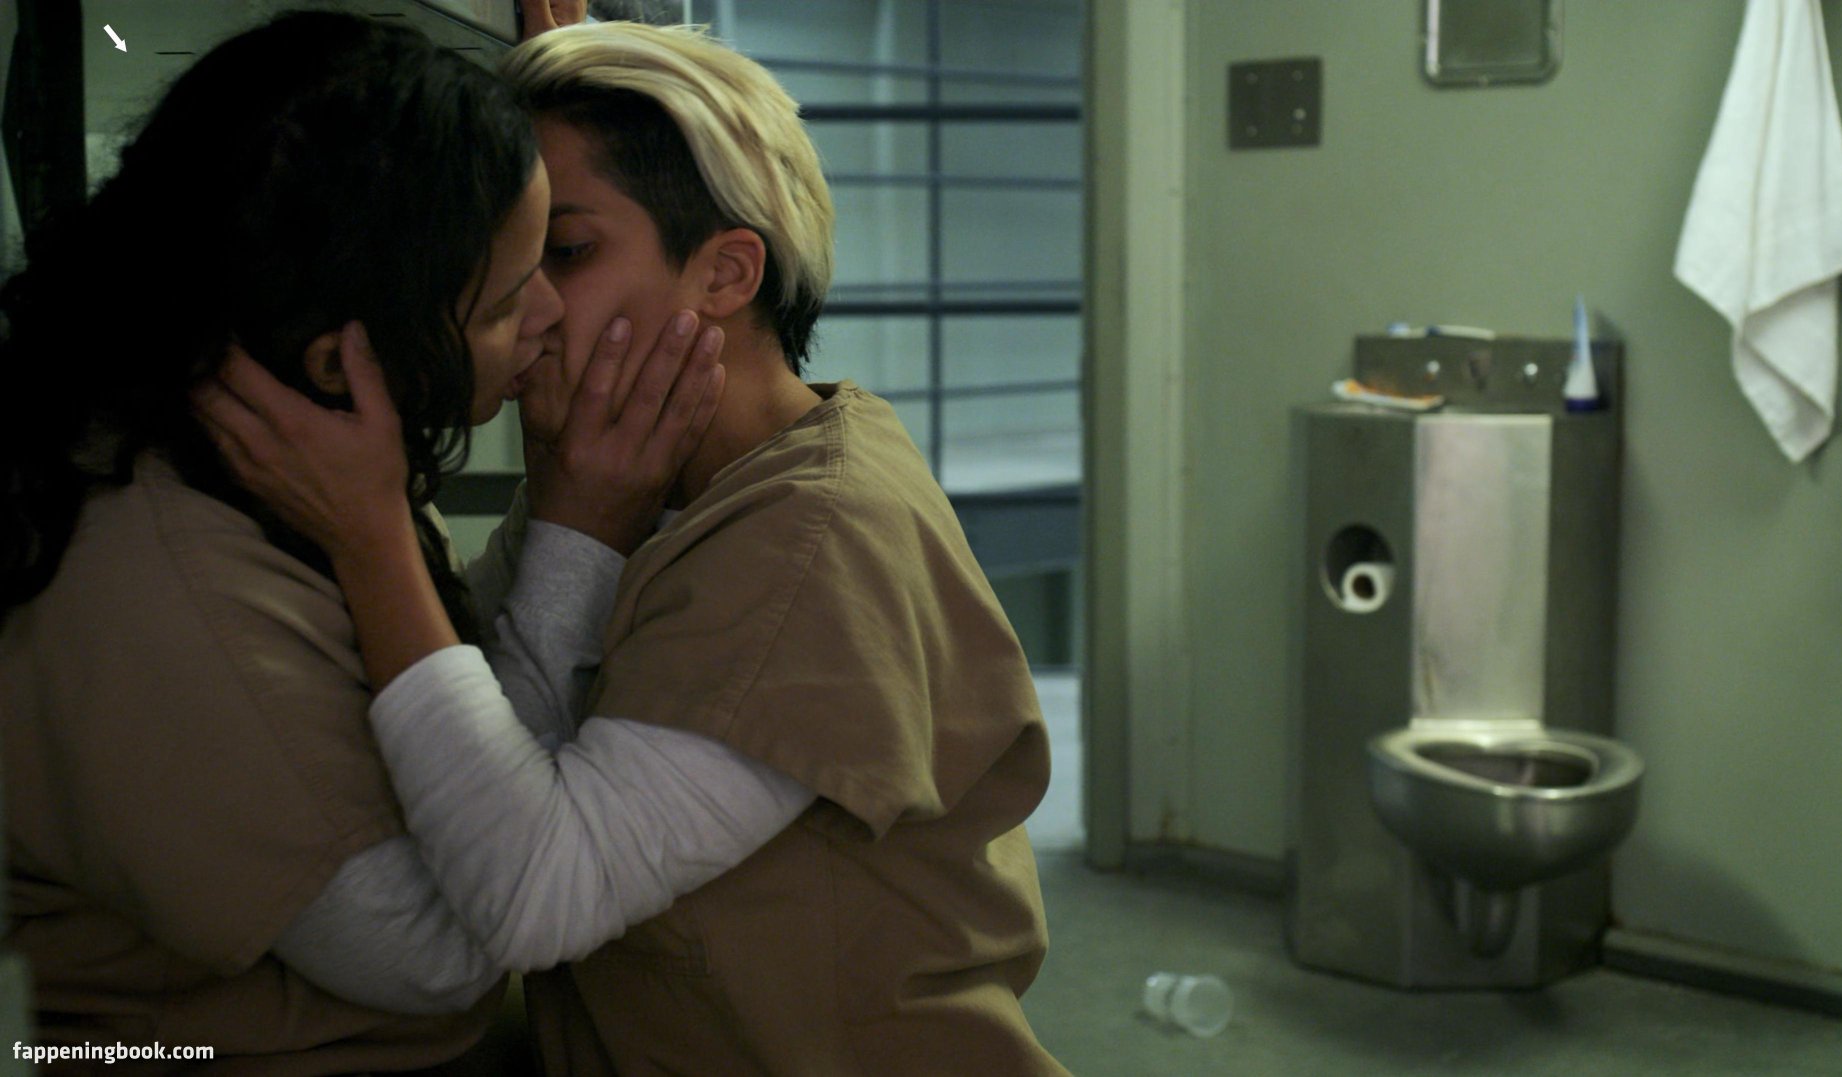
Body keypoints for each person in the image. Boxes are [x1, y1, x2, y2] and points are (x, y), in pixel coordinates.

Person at [203, 19, 1068, 1075]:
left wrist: (371, 526)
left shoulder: (811, 535)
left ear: (726, 273)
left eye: (566, 251)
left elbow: (529, 895)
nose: (521, 306)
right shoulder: (635, 478)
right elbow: (474, 754)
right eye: (500, 255)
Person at [0, 10, 718, 1069]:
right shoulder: (160, 587)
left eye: (559, 257)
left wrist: (526, 512)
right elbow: (444, 953)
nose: (552, 315)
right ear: (344, 357)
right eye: (508, 299)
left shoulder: (279, 440)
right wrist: (574, 536)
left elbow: (433, 686)